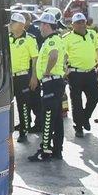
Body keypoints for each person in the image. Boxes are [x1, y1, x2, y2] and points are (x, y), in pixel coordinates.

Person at [27, 13, 66, 162]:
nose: (39, 28)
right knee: (56, 119)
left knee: (47, 116)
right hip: (55, 83)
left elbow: (54, 56)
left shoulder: (51, 40)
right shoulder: (55, 39)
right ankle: (56, 150)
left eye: (40, 25)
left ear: (46, 25)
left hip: (51, 82)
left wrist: (47, 72)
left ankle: (45, 150)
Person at [63, 12, 98, 137]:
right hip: (75, 74)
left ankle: (85, 118)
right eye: (78, 23)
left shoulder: (92, 34)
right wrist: (64, 69)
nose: (81, 25)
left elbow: (97, 50)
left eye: (83, 22)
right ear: (72, 25)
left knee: (95, 96)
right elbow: (62, 55)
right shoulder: (67, 38)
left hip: (90, 72)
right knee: (77, 101)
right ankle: (78, 127)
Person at [8, 12, 39, 143]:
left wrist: (34, 77)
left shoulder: (30, 39)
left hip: (23, 77)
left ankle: (23, 132)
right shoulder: (7, 38)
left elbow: (35, 59)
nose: (10, 24)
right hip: (9, 78)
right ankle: (7, 132)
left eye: (13, 22)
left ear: (21, 25)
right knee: (8, 107)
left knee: (23, 106)